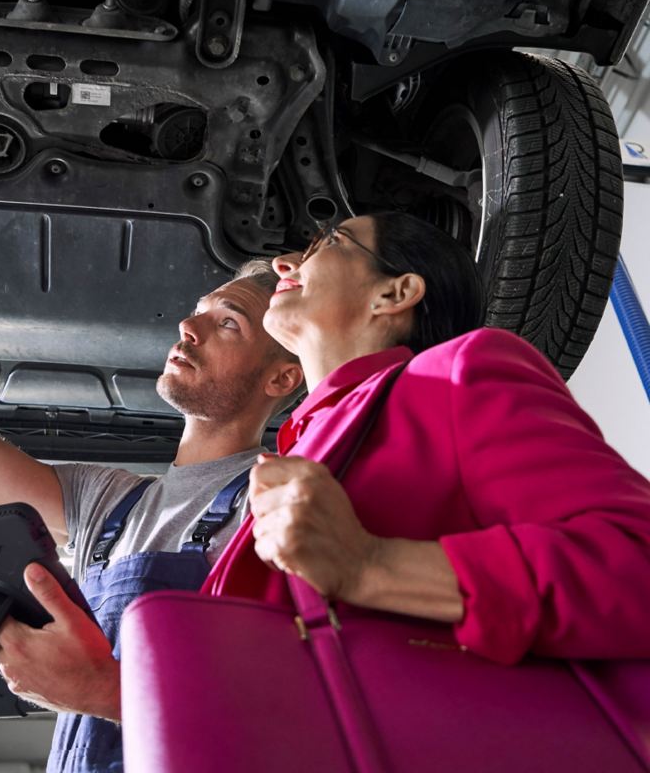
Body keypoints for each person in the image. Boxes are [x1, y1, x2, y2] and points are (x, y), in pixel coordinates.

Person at [0, 118, 303, 772]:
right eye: (197, 309)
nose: (189, 325)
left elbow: (298, 719)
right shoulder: (110, 507)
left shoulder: (285, 500)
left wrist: (104, 693)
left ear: (282, 377)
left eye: (226, 323)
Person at [203, 211, 650, 666]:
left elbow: (637, 565)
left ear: (394, 293)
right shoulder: (301, 441)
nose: (282, 264)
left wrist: (372, 565)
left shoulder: (459, 375)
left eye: (330, 243)